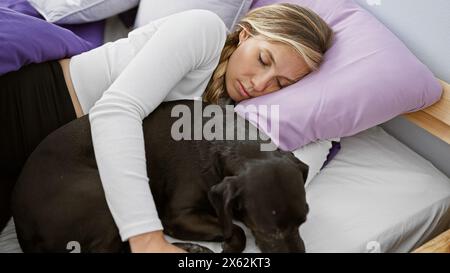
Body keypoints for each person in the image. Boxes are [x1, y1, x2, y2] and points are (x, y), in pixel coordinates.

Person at [0, 3, 333, 252]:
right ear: (245, 34)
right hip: (32, 105)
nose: (259, 84)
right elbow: (117, 111)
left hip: (49, 165)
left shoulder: (226, 112)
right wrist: (145, 237)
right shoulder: (204, 31)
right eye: (263, 60)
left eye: (280, 83)